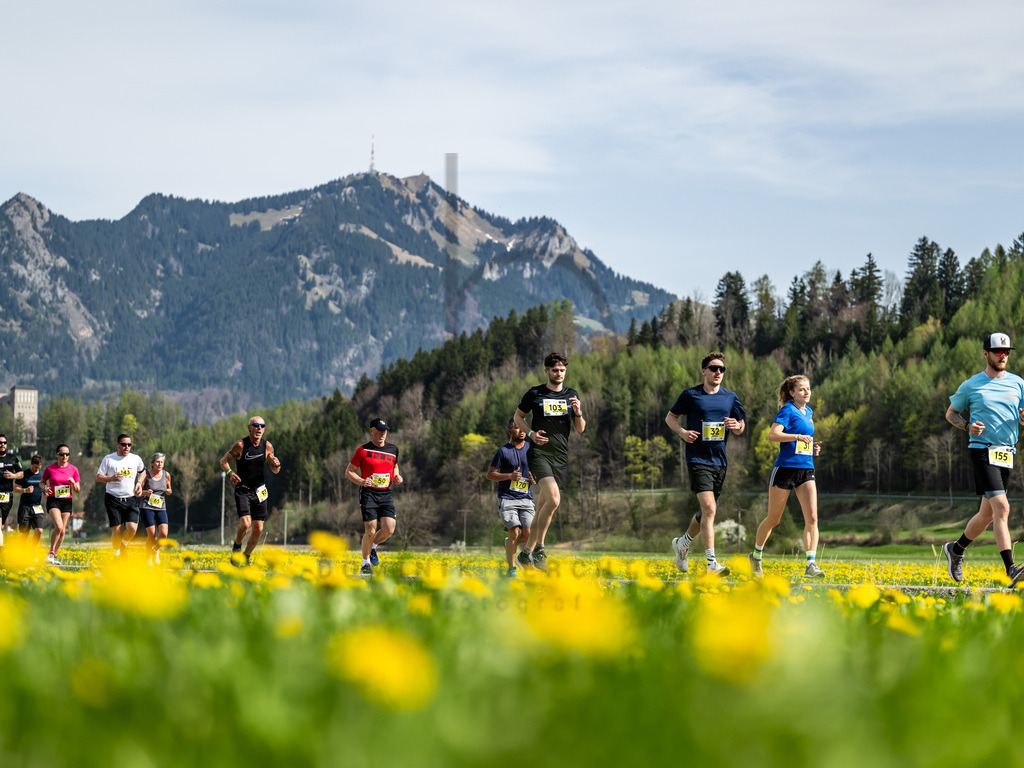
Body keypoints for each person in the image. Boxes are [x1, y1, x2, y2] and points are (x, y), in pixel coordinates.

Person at [942, 332, 1024, 586]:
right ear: (986, 353)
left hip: (1006, 452)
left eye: (1006, 352)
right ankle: (1011, 569)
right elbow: (951, 414)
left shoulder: (1018, 383)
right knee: (1003, 507)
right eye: (998, 352)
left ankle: (956, 550)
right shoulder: (971, 385)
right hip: (982, 450)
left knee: (987, 514)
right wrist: (967, 427)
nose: (1002, 356)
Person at [666, 352, 746, 576]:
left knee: (706, 512)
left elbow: (741, 426)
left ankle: (682, 544)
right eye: (713, 368)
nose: (718, 372)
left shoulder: (730, 397)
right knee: (710, 509)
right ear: (704, 371)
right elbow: (670, 417)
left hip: (720, 461)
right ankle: (712, 564)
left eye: (722, 369)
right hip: (697, 459)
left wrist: (735, 425)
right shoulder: (691, 395)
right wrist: (681, 432)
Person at [513, 352, 586, 572]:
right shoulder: (535, 393)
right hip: (539, 454)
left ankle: (525, 554)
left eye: (562, 370)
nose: (559, 373)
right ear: (547, 371)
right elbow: (518, 417)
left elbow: (580, 429)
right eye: (555, 370)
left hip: (560, 456)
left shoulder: (571, 395)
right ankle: (540, 549)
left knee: (545, 506)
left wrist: (578, 412)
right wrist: (532, 434)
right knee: (554, 500)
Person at [749, 375, 824, 579]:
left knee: (812, 518)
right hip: (784, 469)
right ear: (792, 392)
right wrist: (797, 437)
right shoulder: (787, 411)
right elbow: (773, 435)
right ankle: (756, 555)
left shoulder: (808, 412)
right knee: (774, 519)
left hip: (806, 469)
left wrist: (811, 448)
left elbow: (802, 441)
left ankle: (811, 564)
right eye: (802, 389)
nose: (807, 392)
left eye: (809, 389)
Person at [221, 416, 281, 565]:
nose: (259, 428)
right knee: (246, 524)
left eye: (262, 426)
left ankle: (245, 557)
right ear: (249, 428)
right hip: (243, 490)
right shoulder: (240, 445)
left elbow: (275, 470)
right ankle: (237, 547)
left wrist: (276, 464)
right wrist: (230, 473)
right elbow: (223, 461)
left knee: (259, 528)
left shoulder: (267, 446)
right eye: (256, 425)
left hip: (259, 491)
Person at [346, 418, 403, 575]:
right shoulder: (363, 450)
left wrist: (397, 476)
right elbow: (349, 471)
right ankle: (365, 564)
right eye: (379, 430)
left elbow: (395, 466)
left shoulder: (393, 450)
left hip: (385, 493)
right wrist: (362, 481)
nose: (382, 433)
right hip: (369, 493)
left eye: (385, 430)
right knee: (370, 530)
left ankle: (372, 547)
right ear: (371, 431)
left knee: (389, 529)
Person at [487, 418, 535, 577]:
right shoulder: (502, 451)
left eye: (523, 428)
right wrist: (509, 476)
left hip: (527, 498)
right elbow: (490, 474)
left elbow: (539, 471)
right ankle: (511, 569)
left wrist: (535, 478)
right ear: (510, 431)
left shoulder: (531, 449)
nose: (521, 431)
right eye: (516, 428)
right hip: (507, 498)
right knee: (514, 532)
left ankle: (510, 545)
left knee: (528, 534)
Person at [96, 434, 146, 557]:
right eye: (123, 444)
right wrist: (111, 478)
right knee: (117, 530)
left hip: (130, 499)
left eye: (129, 445)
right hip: (113, 498)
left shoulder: (136, 459)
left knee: (132, 529)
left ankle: (123, 544)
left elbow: (143, 471)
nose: (126, 447)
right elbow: (99, 477)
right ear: (117, 444)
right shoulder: (109, 459)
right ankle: (117, 556)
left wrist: (139, 483)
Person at [42, 444, 81, 566]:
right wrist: (44, 489)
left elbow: (77, 489)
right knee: (58, 526)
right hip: (53, 500)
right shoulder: (50, 469)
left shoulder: (73, 469)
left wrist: (73, 482)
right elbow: (42, 483)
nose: (65, 456)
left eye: (67, 454)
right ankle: (51, 553)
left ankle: (53, 555)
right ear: (57, 454)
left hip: (67, 501)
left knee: (63, 531)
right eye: (62, 454)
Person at [136, 452, 172, 566]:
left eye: (162, 462)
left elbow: (169, 489)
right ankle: (148, 558)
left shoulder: (166, 475)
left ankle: (155, 550)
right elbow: (137, 493)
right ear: (152, 463)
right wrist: (146, 492)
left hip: (161, 507)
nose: (160, 464)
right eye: (157, 462)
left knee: (164, 534)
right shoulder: (145, 475)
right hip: (147, 506)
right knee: (151, 534)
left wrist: (169, 491)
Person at [15, 454, 45, 546]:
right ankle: (23, 552)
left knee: (39, 531)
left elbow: (44, 486)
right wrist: (25, 490)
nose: (37, 470)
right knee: (25, 533)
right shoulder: (24, 474)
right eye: (35, 467)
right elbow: (15, 488)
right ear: (31, 464)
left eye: (38, 468)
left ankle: (32, 551)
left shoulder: (42, 474)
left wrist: (46, 492)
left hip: (37, 506)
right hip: (25, 507)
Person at [0, 434, 24, 550]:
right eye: (0, 443)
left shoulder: (12, 458)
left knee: (1, 525)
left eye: (4, 442)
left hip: (7, 497)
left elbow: (21, 473)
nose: (2, 445)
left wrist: (13, 475)